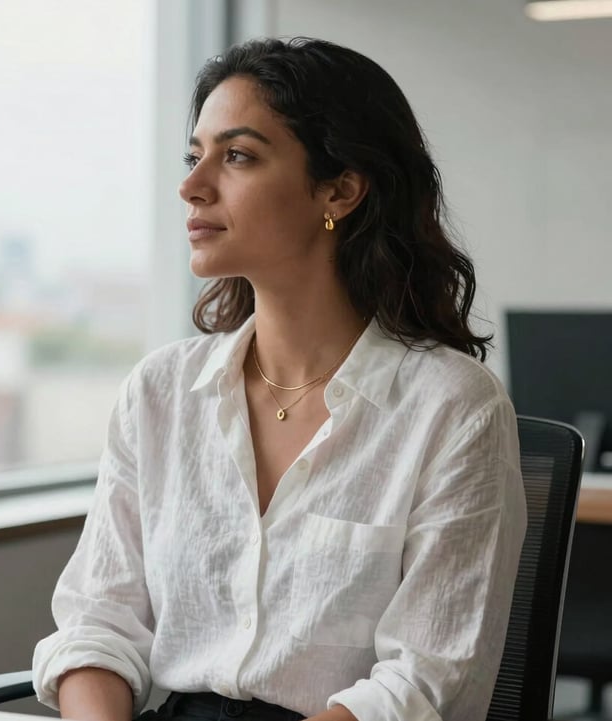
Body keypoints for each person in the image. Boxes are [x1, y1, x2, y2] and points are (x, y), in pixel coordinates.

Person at [33, 37, 526, 721]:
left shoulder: (452, 408)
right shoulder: (160, 392)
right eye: (193, 153)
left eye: (237, 156)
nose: (192, 184)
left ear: (340, 190)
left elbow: (421, 682)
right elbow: (98, 622)